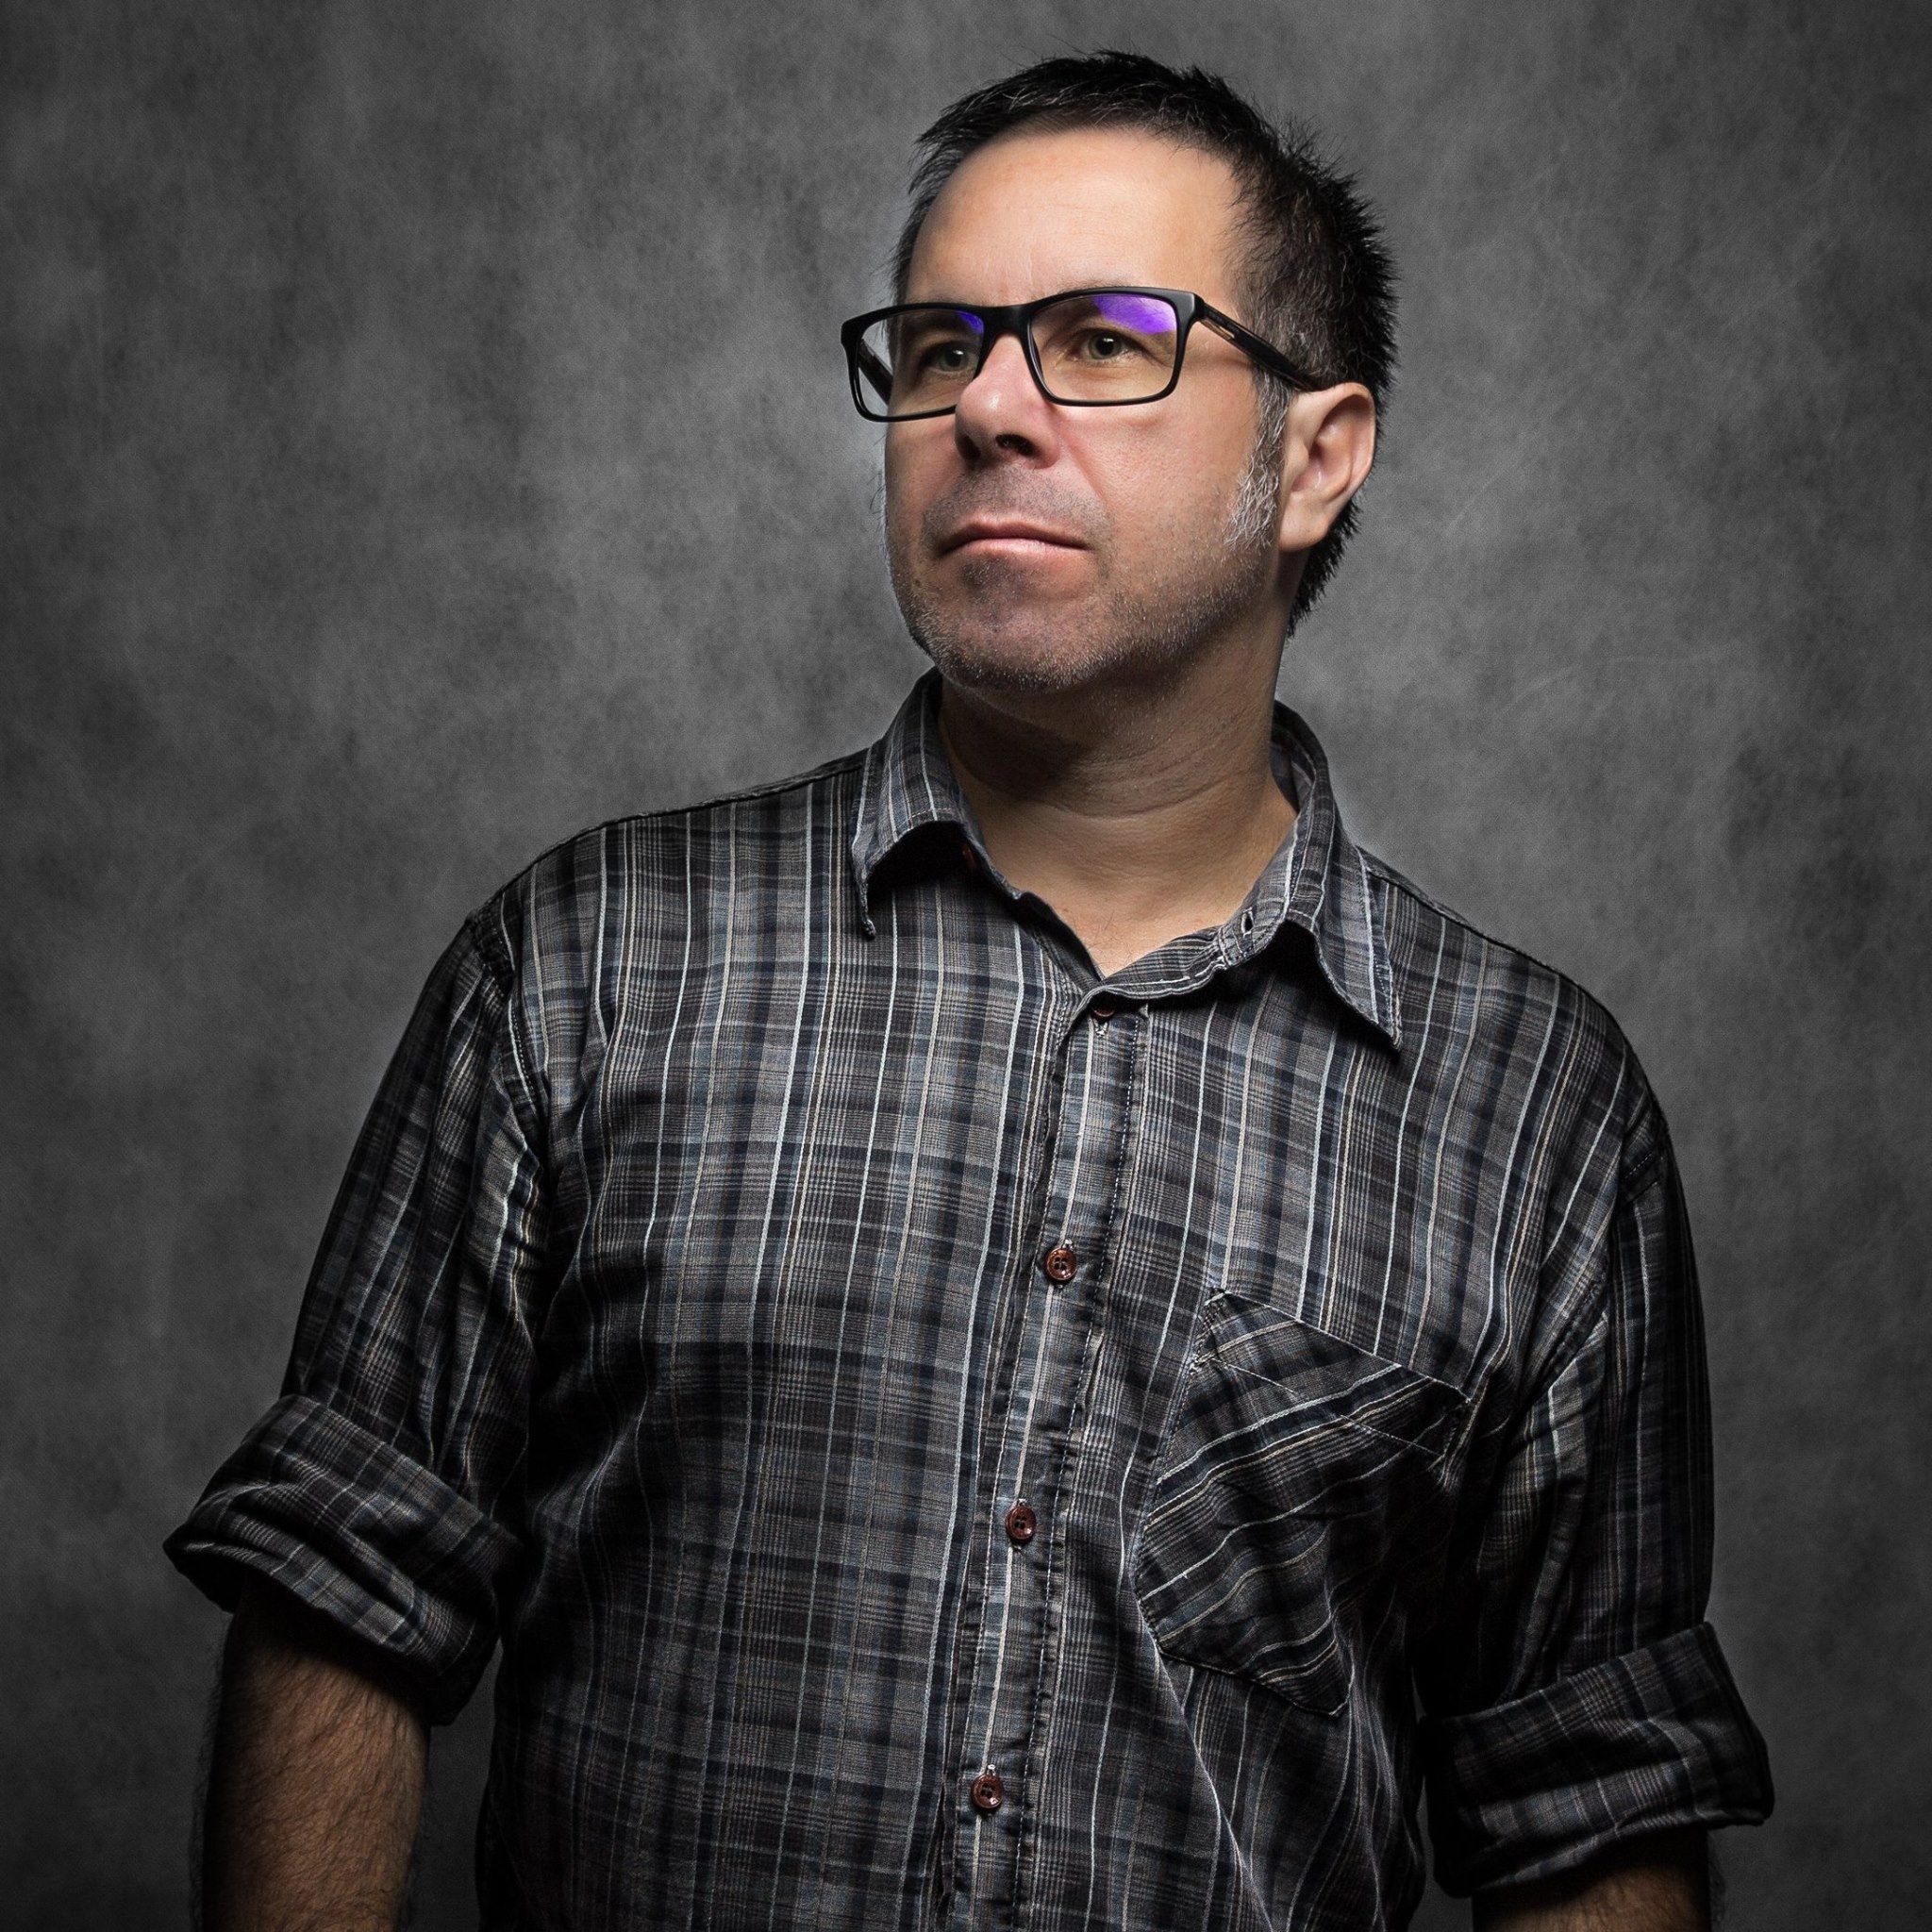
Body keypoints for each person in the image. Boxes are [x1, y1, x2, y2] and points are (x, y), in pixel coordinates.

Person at [165, 50, 1773, 1932]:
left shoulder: (1532, 1113)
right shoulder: (593, 965)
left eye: (1100, 341)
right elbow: (346, 1593)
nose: (987, 409)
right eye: (940, 347)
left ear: (1315, 457)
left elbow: (1583, 1804)